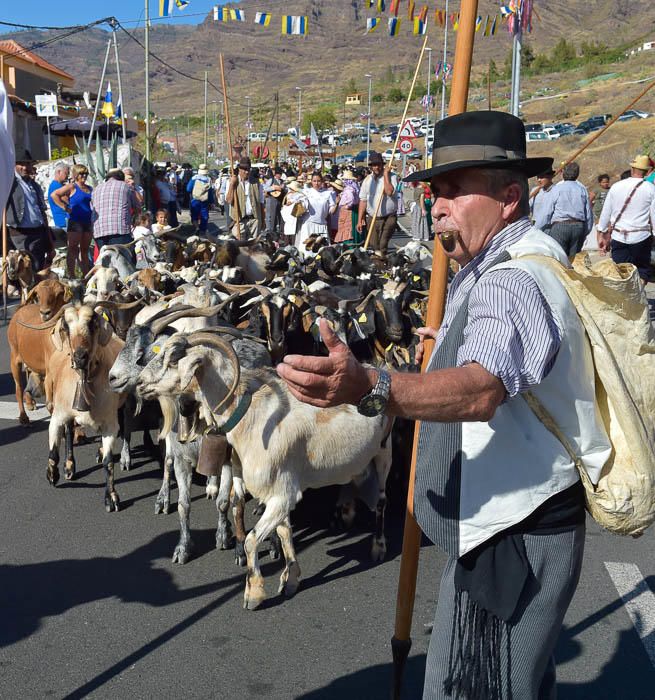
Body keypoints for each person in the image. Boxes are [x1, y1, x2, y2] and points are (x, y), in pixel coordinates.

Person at [277, 111, 610, 700]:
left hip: (516, 532)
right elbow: (503, 358)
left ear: (509, 197)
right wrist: (447, 344)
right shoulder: (515, 256)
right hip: (518, 515)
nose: (437, 206)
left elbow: (482, 390)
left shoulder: (511, 278)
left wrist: (373, 386)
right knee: (519, 682)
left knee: (476, 686)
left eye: (456, 190)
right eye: (435, 191)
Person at [597, 154, 655, 282]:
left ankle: (626, 298)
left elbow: (606, 212)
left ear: (632, 169)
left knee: (620, 273)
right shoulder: (651, 189)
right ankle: (637, 295)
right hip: (641, 236)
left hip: (619, 236)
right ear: (646, 171)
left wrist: (601, 232)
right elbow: (654, 215)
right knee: (642, 271)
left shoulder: (616, 186)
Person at [5, 161, 54, 271]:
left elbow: (41, 210)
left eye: (27, 164)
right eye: (21, 164)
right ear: (14, 165)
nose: (25, 167)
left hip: (38, 232)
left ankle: (35, 288)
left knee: (38, 266)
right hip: (20, 233)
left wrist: (48, 236)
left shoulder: (34, 185)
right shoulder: (9, 182)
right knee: (22, 268)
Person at [50, 164, 93, 277]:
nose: (84, 176)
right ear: (76, 175)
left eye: (86, 173)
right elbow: (54, 195)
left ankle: (86, 276)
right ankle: (72, 275)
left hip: (87, 222)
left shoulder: (90, 188)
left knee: (85, 250)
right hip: (75, 221)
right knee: (73, 249)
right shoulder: (72, 187)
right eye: (81, 173)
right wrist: (64, 207)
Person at [542, 161, 593, 257]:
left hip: (560, 227)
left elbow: (546, 213)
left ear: (563, 173)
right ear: (577, 174)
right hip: (578, 227)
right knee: (574, 261)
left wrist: (538, 229)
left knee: (560, 259)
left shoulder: (557, 189)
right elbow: (588, 214)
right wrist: (585, 231)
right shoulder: (582, 189)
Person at [357, 151, 398, 257]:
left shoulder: (392, 176)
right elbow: (363, 200)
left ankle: (383, 263)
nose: (376, 167)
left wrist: (385, 175)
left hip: (389, 217)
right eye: (374, 165)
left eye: (378, 165)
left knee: (383, 244)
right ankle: (378, 263)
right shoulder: (367, 180)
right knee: (374, 245)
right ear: (371, 167)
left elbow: (389, 192)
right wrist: (360, 220)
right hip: (372, 217)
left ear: (382, 165)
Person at [91, 168, 139, 250]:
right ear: (122, 178)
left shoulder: (96, 189)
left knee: (105, 260)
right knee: (125, 258)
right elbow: (137, 206)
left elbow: (92, 207)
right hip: (120, 230)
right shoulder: (126, 187)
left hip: (99, 231)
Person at [226, 157, 264, 240]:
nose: (247, 172)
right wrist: (232, 185)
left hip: (254, 220)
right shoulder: (232, 181)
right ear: (239, 169)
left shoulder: (256, 183)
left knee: (253, 248)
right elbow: (229, 200)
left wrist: (262, 221)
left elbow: (261, 202)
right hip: (239, 221)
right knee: (239, 248)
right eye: (244, 169)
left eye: (248, 169)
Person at [296, 172, 336, 248]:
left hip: (322, 224)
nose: (316, 183)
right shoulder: (306, 192)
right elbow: (295, 200)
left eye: (319, 181)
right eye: (314, 181)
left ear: (322, 181)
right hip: (309, 223)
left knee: (322, 250)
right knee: (307, 249)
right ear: (311, 182)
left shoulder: (328, 193)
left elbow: (331, 211)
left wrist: (336, 204)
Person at [187, 164, 215, 233]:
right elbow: (210, 192)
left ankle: (196, 227)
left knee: (194, 215)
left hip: (194, 200)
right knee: (204, 216)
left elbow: (188, 189)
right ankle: (203, 230)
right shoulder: (208, 180)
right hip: (204, 201)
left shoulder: (193, 178)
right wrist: (212, 202)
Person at [334, 170, 360, 245]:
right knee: (348, 228)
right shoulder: (353, 188)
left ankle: (348, 243)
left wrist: (347, 206)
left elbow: (351, 199)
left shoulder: (349, 189)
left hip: (347, 211)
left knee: (347, 228)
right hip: (349, 211)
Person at [529, 167, 556, 232]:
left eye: (541, 177)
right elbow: (527, 208)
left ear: (550, 177)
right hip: (535, 225)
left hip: (549, 227)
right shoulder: (535, 191)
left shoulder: (556, 191)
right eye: (538, 177)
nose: (539, 180)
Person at [47, 162, 70, 238]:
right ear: (59, 172)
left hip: (63, 221)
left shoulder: (57, 185)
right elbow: (68, 201)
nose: (68, 176)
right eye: (66, 173)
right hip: (64, 221)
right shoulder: (56, 186)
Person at [263, 167, 285, 236]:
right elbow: (265, 188)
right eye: (279, 174)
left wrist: (283, 188)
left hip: (280, 200)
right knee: (272, 216)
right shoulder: (271, 180)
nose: (280, 175)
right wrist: (274, 188)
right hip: (272, 199)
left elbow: (285, 189)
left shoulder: (282, 181)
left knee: (280, 216)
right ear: (276, 174)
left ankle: (280, 232)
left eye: (280, 174)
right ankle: (272, 232)